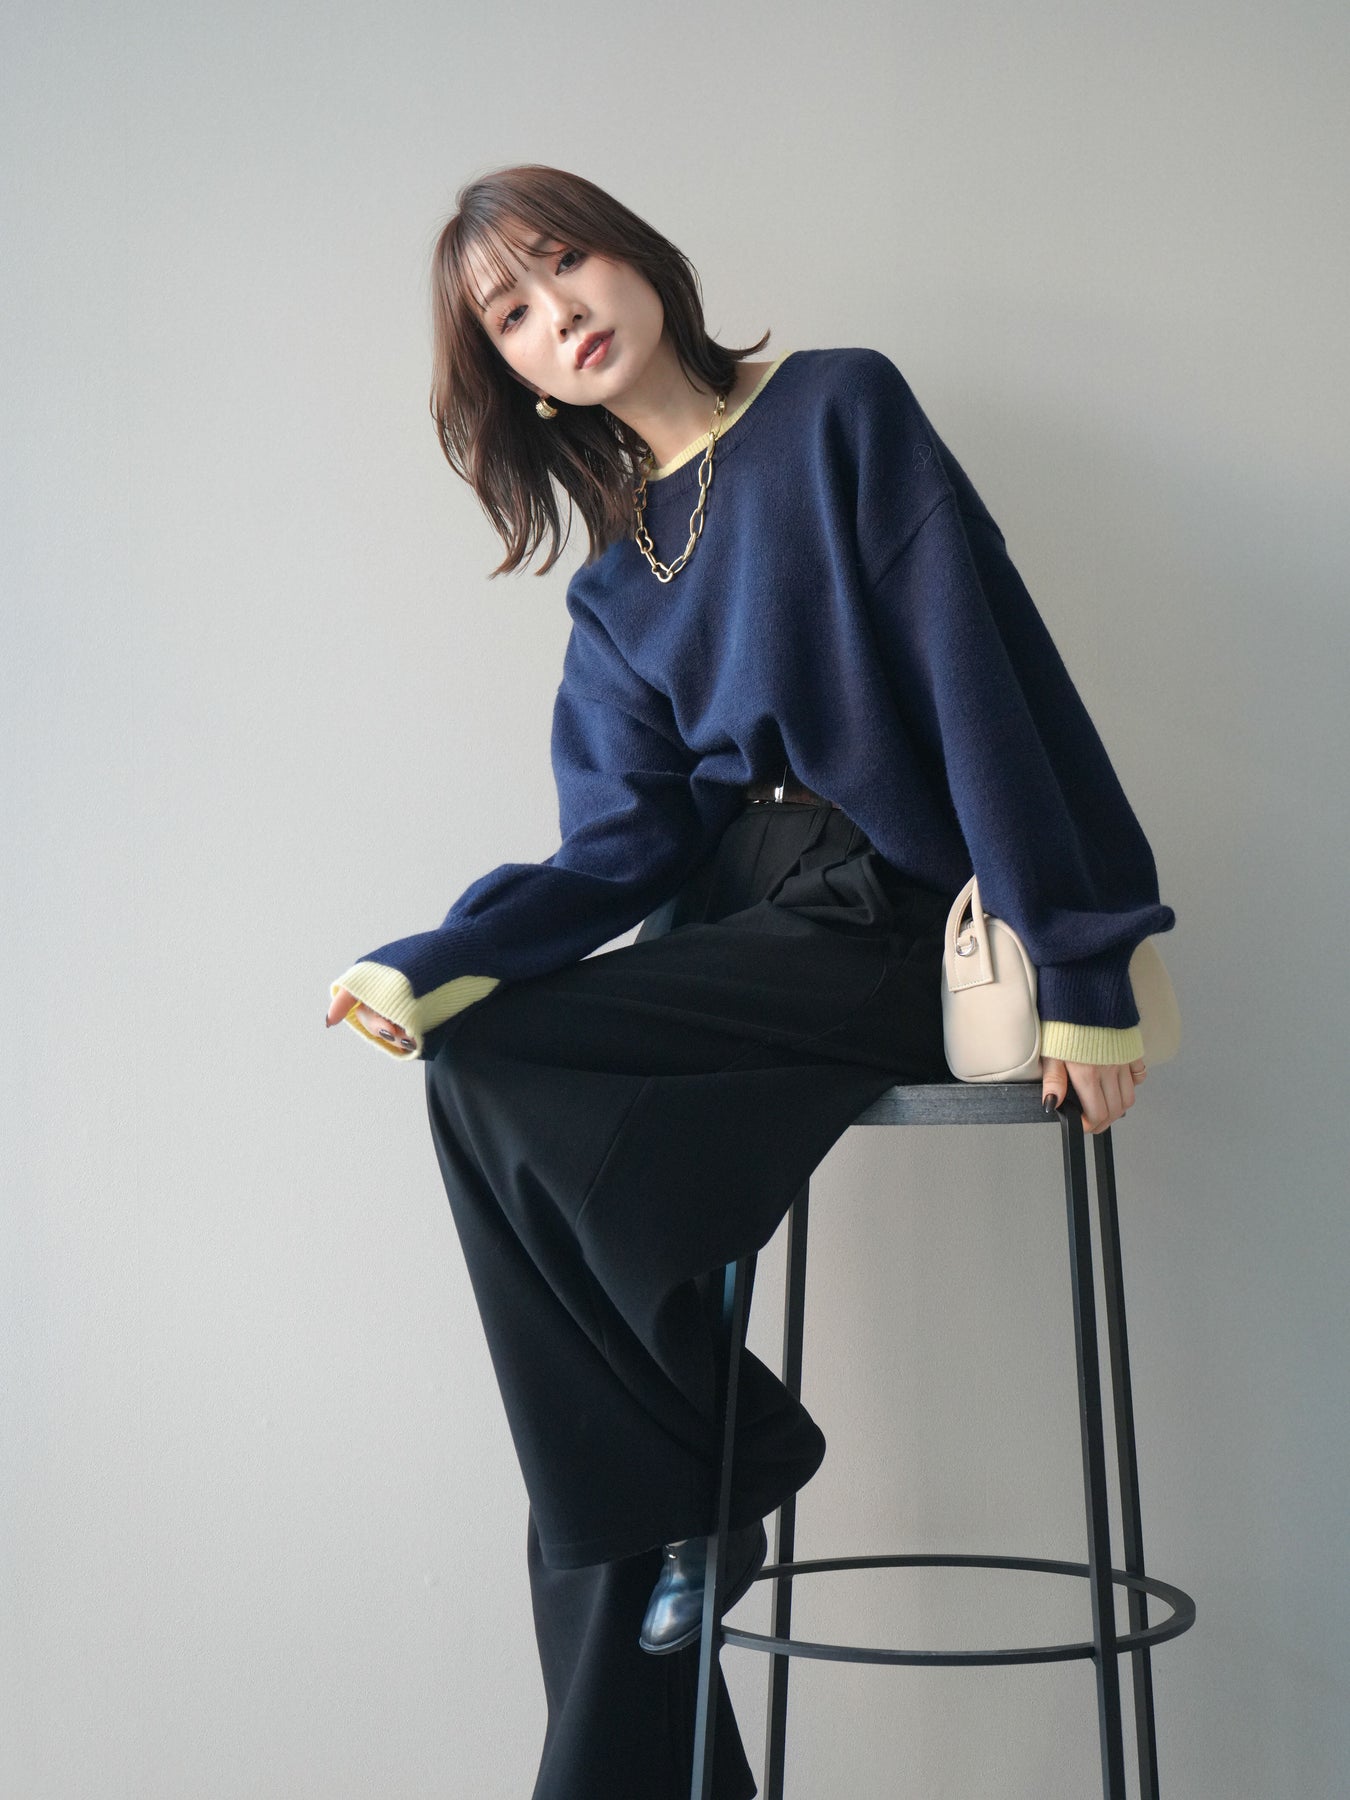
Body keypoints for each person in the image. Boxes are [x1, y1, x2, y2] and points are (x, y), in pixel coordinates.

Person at [324, 164, 1175, 1800]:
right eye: (512, 313)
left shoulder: (840, 410)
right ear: (509, 371)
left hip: (886, 916)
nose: (557, 314)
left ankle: (713, 1475)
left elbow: (983, 678)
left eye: (564, 262)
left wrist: (1082, 960)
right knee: (479, 1080)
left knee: (604, 1440)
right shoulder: (612, 583)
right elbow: (619, 851)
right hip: (740, 928)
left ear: (636, 258)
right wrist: (438, 961)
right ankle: (696, 1498)